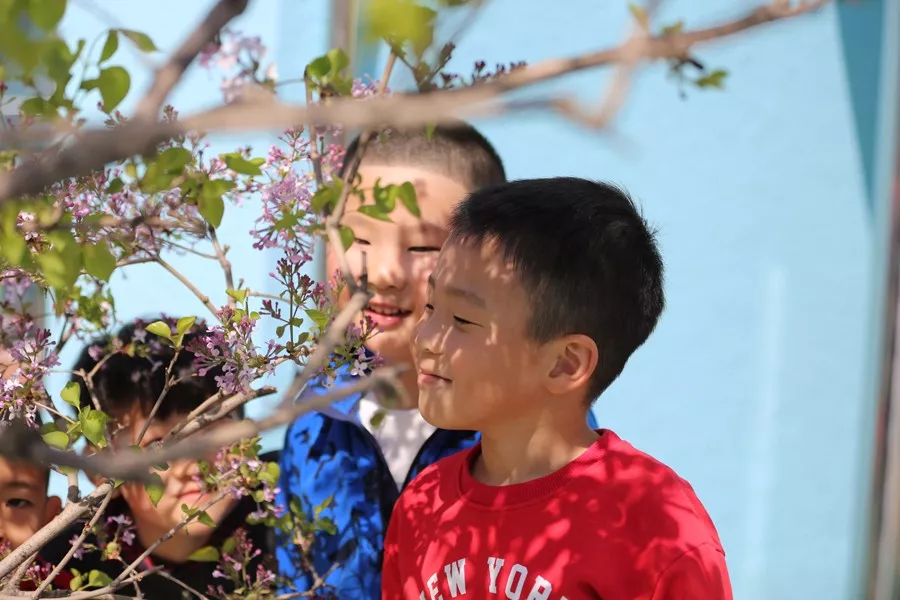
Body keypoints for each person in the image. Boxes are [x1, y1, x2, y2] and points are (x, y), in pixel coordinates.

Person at [276, 125, 599, 599]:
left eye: (424, 247)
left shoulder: (533, 421)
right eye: (358, 238)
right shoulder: (315, 415)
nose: (383, 273)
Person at [382, 177, 733, 600]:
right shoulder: (422, 504)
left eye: (462, 321)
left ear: (566, 363)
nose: (425, 337)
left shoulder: (655, 524)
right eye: (432, 306)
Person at [39, 318, 278, 599]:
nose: (193, 465)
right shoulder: (68, 564)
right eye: (158, 446)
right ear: (100, 467)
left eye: (210, 432)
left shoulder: (286, 508)